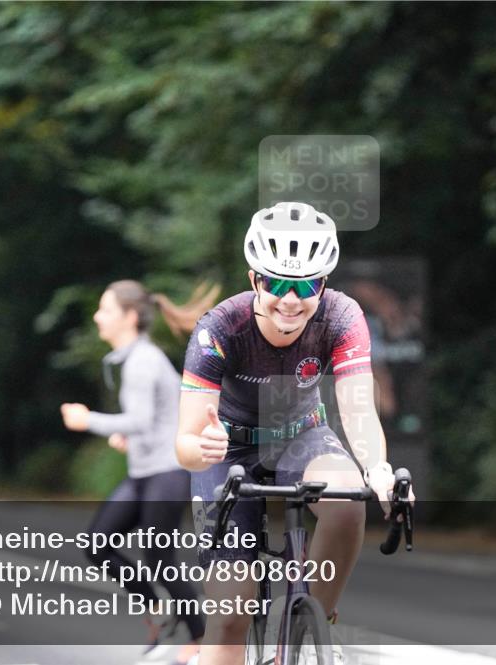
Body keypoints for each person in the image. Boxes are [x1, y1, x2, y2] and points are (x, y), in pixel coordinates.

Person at [175, 202, 400, 665]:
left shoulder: (341, 316)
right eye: (276, 282)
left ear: (324, 283)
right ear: (254, 279)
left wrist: (377, 468)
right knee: (229, 620)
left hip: (302, 434)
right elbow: (185, 443)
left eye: (306, 284)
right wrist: (201, 449)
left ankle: (316, 623)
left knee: (346, 498)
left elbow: (358, 410)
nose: (291, 299)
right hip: (229, 448)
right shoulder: (218, 330)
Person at [61, 279, 217, 665]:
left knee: (160, 561)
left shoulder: (143, 361)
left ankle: (202, 639)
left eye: (105, 309)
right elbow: (149, 419)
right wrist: (124, 432)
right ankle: (159, 612)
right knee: (99, 544)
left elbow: (143, 418)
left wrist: (88, 420)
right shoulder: (135, 359)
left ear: (129, 317)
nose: (98, 316)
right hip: (146, 471)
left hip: (167, 471)